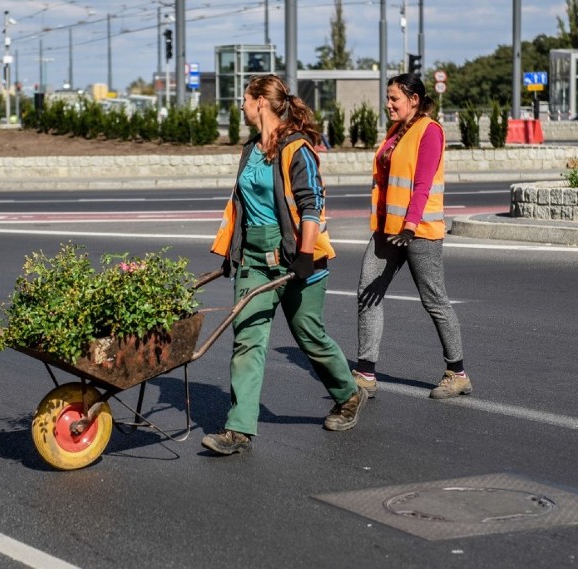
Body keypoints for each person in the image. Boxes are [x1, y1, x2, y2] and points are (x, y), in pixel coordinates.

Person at [202, 74, 367, 456]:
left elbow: (311, 206)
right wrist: (233, 252)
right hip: (255, 259)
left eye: (245, 98)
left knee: (309, 333)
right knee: (248, 338)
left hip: (296, 254)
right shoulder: (249, 149)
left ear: (262, 102)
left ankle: (348, 394)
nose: (240, 105)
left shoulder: (298, 149)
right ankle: (238, 429)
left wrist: (306, 257)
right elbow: (241, 207)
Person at [353, 73, 472, 400]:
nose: (388, 104)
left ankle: (457, 373)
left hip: (417, 233)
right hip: (387, 231)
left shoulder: (429, 131)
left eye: (394, 99)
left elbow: (422, 184)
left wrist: (409, 225)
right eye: (388, 98)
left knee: (434, 299)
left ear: (414, 100)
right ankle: (365, 373)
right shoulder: (396, 132)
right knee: (367, 292)